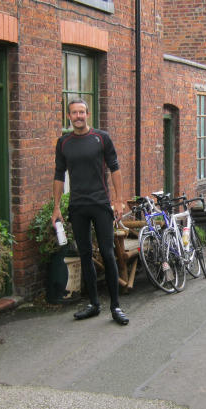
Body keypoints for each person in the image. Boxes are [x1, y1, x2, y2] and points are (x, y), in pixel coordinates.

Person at [51, 98, 129, 325]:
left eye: (82, 112)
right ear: (69, 116)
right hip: (77, 206)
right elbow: (58, 175)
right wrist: (56, 207)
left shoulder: (101, 138)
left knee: (107, 253)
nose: (78, 116)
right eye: (74, 113)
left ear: (88, 114)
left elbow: (115, 168)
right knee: (85, 255)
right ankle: (94, 304)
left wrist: (118, 200)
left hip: (101, 204)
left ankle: (115, 307)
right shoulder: (63, 143)